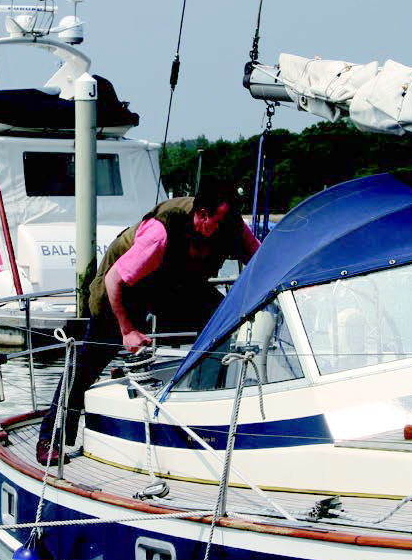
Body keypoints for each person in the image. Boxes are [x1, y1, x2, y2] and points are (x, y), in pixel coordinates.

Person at [36, 181, 260, 465]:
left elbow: (260, 259)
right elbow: (113, 281)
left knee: (221, 320)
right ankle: (50, 437)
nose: (223, 228)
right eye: (217, 221)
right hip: (121, 287)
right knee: (88, 364)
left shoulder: (229, 225)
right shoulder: (160, 234)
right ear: (202, 215)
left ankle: (203, 410)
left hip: (170, 281)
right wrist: (127, 330)